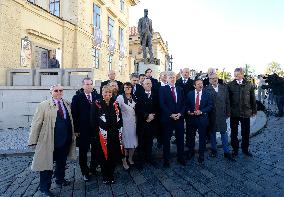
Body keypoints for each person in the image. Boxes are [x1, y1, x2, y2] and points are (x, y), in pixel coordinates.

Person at [28, 85, 76, 196]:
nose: (59, 92)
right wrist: (33, 140)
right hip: (49, 140)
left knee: (62, 162)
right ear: (51, 92)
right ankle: (44, 188)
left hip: (65, 140)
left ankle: (60, 179)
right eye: (56, 90)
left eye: (61, 90)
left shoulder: (67, 104)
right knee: (46, 165)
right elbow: (36, 123)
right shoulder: (43, 105)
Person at [90, 85, 123, 184]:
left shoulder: (115, 103)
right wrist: (96, 134)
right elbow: (93, 120)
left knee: (112, 155)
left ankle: (111, 174)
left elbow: (119, 118)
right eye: (105, 92)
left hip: (113, 134)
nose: (107, 94)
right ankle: (105, 176)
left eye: (109, 93)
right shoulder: (96, 104)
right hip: (102, 135)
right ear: (102, 93)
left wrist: (119, 129)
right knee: (103, 156)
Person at [71, 78, 101, 181]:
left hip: (95, 129)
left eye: (90, 84)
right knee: (83, 151)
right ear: (83, 86)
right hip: (82, 130)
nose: (89, 86)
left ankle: (93, 168)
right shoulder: (77, 97)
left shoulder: (97, 97)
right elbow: (74, 114)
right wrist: (76, 129)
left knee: (95, 150)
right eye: (87, 84)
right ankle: (84, 171)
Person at [228, 68, 257, 157]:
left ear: (242, 74)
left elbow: (253, 98)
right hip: (234, 113)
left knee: (245, 132)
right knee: (234, 133)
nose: (235, 76)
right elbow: (228, 100)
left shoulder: (249, 84)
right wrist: (228, 111)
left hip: (246, 112)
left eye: (237, 74)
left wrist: (254, 110)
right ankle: (235, 149)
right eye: (235, 74)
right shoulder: (230, 85)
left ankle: (245, 149)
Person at [159, 71, 186, 167]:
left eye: (174, 77)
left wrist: (180, 113)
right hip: (168, 119)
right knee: (166, 140)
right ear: (166, 78)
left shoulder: (180, 89)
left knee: (180, 139)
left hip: (179, 118)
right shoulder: (162, 89)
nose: (172, 79)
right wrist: (171, 114)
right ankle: (166, 160)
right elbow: (162, 104)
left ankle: (181, 157)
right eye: (170, 77)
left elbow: (183, 103)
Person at [206, 73, 235, 161]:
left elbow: (227, 101)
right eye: (211, 78)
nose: (214, 80)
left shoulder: (224, 88)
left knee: (224, 133)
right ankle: (214, 150)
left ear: (217, 78)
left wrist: (228, 113)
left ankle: (226, 152)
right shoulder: (206, 89)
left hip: (222, 114)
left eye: (215, 78)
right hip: (212, 115)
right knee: (212, 133)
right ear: (209, 80)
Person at [185, 79, 213, 164]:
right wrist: (188, 111)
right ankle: (191, 152)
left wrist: (201, 111)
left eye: (201, 83)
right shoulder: (190, 94)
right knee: (191, 137)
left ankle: (201, 155)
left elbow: (210, 106)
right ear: (194, 86)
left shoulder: (207, 94)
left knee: (202, 138)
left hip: (202, 119)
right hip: (192, 119)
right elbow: (186, 105)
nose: (201, 85)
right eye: (198, 84)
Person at [136, 79, 159, 167]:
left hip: (152, 122)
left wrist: (153, 116)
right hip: (142, 123)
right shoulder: (139, 95)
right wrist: (146, 116)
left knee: (150, 142)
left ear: (152, 85)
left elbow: (158, 108)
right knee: (141, 143)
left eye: (149, 83)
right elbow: (138, 109)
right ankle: (141, 161)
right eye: (146, 84)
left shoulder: (156, 95)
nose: (148, 85)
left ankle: (149, 158)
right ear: (143, 85)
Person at [116, 82, 138, 170]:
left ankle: (130, 158)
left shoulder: (134, 97)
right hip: (124, 124)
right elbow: (116, 111)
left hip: (134, 123)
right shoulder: (120, 98)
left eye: (129, 87)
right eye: (126, 87)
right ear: (123, 88)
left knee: (133, 142)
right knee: (124, 143)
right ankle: (124, 161)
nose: (128, 88)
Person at [175, 68, 195, 148]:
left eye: (188, 72)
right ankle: (178, 140)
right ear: (182, 73)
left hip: (189, 107)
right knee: (179, 126)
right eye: (185, 72)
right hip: (179, 108)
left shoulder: (192, 82)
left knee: (189, 126)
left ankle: (188, 142)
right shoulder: (177, 82)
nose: (186, 74)